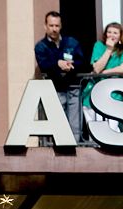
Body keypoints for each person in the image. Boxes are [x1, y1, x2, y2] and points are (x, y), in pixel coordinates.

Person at [34, 11, 85, 142]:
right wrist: (58, 64)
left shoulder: (72, 42)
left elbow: (82, 62)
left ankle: (75, 154)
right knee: (57, 125)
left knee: (75, 126)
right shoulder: (41, 46)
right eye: (51, 25)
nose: (54, 29)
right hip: (54, 90)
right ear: (45, 26)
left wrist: (72, 65)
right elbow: (43, 65)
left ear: (61, 26)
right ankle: (58, 156)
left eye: (57, 26)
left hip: (73, 88)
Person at [82, 22, 123, 133]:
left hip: (115, 96)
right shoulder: (99, 46)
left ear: (120, 35)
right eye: (109, 32)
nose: (111, 35)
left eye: (115, 33)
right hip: (93, 95)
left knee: (112, 129)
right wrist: (108, 50)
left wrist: (105, 72)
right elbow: (97, 68)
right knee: (95, 131)